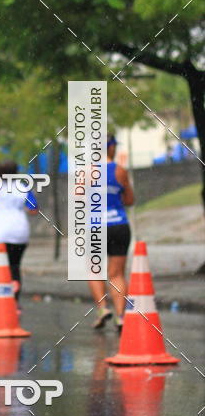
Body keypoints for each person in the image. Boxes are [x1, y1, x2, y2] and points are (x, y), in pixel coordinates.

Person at [89, 135, 134, 332]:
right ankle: (121, 316)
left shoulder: (86, 171)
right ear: (111, 147)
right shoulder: (120, 171)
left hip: (95, 226)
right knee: (116, 274)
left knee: (94, 270)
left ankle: (103, 309)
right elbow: (130, 200)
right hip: (119, 225)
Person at [0, 161, 38, 301]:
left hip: (1, 232)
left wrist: (0, 211)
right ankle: (15, 300)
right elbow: (34, 209)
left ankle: (2, 299)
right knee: (15, 266)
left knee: (0, 267)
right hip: (20, 232)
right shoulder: (23, 187)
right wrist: (21, 209)